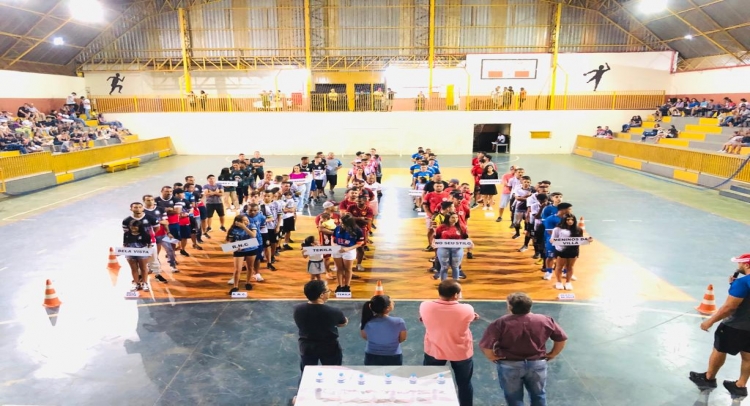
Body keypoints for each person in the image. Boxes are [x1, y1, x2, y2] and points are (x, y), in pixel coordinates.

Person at [479, 292, 568, 406]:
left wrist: (491, 356)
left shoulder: (501, 322)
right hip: (537, 363)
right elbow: (561, 338)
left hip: (510, 364)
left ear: (510, 307)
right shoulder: (545, 320)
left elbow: (486, 345)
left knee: (514, 397)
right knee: (539, 395)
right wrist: (553, 353)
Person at [690, 254, 750, 397]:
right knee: (748, 356)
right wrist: (734, 286)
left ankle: (708, 378)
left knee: (719, 349)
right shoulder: (741, 283)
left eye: (740, 263)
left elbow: (729, 308)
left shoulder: (742, 283)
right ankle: (740, 386)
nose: (738, 266)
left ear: (747, 265)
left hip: (734, 326)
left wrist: (709, 321)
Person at [420, 280, 478, 406]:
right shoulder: (467, 309)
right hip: (461, 353)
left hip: (434, 351)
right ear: (456, 295)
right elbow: (468, 317)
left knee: (430, 382)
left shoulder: (425, 306)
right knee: (464, 384)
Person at [293, 280, 348, 371]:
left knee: (308, 373)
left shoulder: (297, 309)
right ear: (321, 295)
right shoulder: (334, 311)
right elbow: (342, 323)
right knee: (333, 372)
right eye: (328, 291)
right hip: (329, 347)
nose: (330, 292)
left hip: (307, 347)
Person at [360, 295, 407, 365]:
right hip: (393, 357)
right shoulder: (399, 322)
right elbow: (402, 339)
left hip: (371, 357)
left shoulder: (365, 322)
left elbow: (365, 337)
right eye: (391, 302)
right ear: (387, 308)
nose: (393, 303)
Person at [550, 214, 592, 290]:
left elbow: (580, 240)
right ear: (564, 220)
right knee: (559, 266)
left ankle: (568, 282)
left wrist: (588, 240)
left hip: (573, 250)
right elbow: (552, 239)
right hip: (561, 250)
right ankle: (559, 282)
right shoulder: (557, 229)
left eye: (572, 220)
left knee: (570, 267)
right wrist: (555, 241)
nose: (570, 221)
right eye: (568, 219)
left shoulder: (578, 229)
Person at [225, 214, 258, 295]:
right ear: (238, 222)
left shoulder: (251, 225)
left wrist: (244, 227)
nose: (247, 221)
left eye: (247, 220)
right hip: (239, 251)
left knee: (250, 267)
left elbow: (253, 235)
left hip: (251, 249)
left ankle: (248, 282)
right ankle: (235, 286)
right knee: (237, 269)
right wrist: (234, 246)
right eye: (245, 221)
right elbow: (229, 241)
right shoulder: (233, 229)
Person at [331, 213, 364, 293]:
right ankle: (340, 286)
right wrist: (333, 244)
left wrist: (348, 248)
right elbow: (332, 237)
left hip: (349, 250)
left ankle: (347, 286)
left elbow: (360, 243)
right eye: (340, 222)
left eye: (343, 223)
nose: (341, 224)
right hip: (337, 249)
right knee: (339, 269)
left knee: (348, 269)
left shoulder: (357, 230)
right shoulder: (338, 228)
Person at [122, 219, 153, 292]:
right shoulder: (126, 234)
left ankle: (145, 283)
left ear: (139, 227)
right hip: (130, 253)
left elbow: (149, 245)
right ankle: (136, 283)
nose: (133, 228)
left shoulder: (145, 235)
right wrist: (120, 252)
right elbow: (125, 245)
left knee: (143, 268)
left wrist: (149, 253)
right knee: (134, 269)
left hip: (142, 253)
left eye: (135, 227)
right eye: (131, 226)